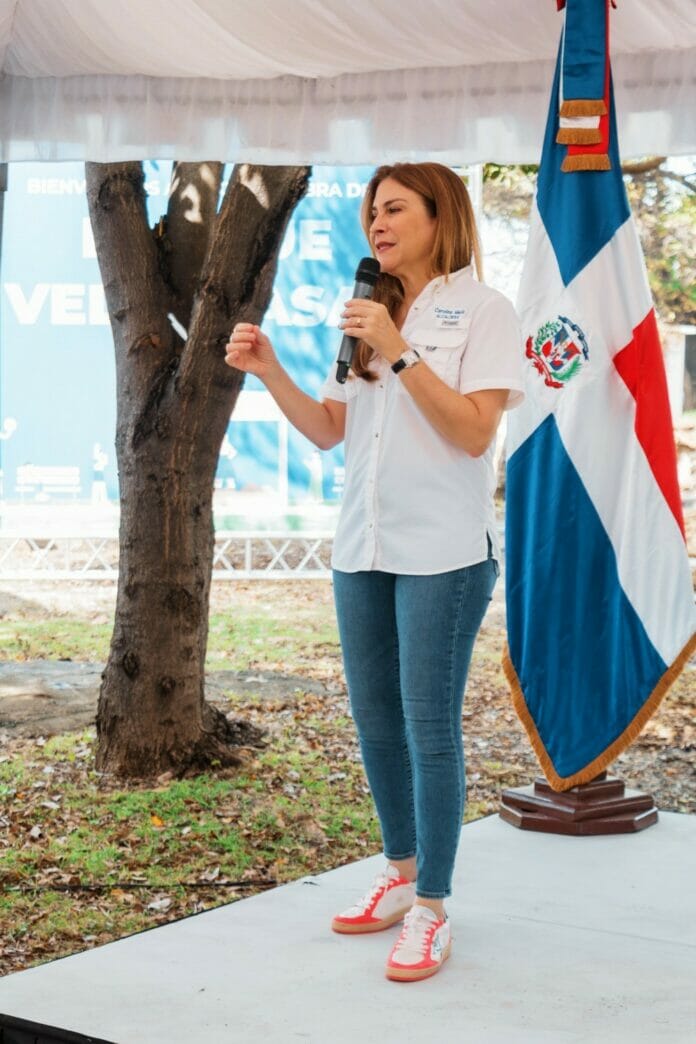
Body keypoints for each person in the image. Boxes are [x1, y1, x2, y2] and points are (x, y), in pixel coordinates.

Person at [225, 162, 524, 982]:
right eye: (370, 213)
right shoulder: (366, 312)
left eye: (393, 209)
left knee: (429, 726)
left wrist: (400, 352)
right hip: (362, 546)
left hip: (444, 553)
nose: (376, 225)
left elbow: (474, 433)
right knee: (376, 722)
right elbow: (331, 429)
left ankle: (432, 908)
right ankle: (398, 871)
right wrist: (271, 370)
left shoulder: (486, 312)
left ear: (440, 215)